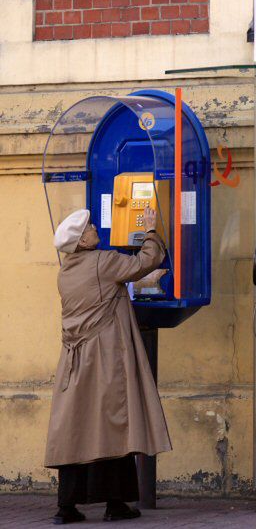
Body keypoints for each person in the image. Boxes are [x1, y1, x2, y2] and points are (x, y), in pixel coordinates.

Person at [44, 207, 172, 525]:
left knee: (76, 429)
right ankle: (115, 503)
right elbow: (146, 261)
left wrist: (140, 280)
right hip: (105, 357)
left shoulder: (66, 271)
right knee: (115, 424)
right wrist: (152, 231)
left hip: (75, 361)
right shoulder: (103, 261)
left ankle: (67, 507)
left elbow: (107, 291)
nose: (93, 228)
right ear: (82, 241)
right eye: (88, 227)